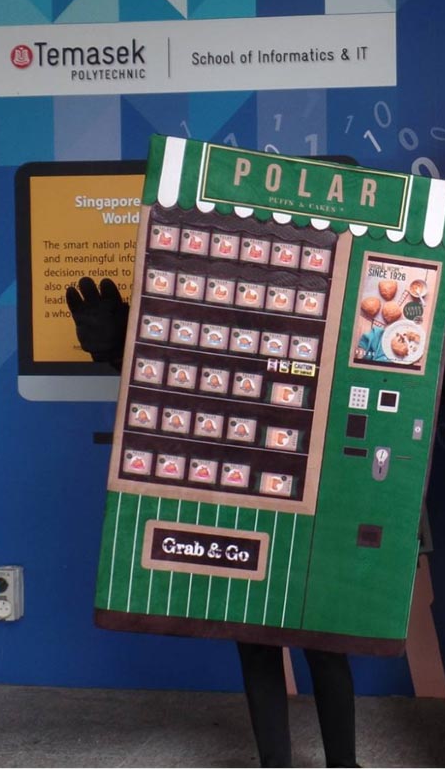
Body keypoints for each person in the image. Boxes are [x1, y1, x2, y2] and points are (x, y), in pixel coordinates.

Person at [66, 276, 357, 768]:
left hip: (311, 483)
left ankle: (343, 763)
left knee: (321, 637)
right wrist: (124, 351)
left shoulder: (317, 302)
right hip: (236, 487)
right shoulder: (214, 295)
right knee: (255, 638)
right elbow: (185, 379)